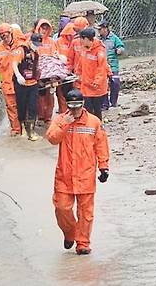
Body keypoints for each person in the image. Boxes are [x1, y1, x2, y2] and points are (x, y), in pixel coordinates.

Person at [46, 89, 109, 255]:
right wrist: (65, 123)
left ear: (83, 105)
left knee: (86, 213)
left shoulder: (94, 122)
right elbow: (52, 139)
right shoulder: (60, 120)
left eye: (77, 107)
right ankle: (70, 233)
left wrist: (104, 166)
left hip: (86, 175)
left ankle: (83, 243)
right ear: (67, 105)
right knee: (61, 208)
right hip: (64, 175)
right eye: (71, 107)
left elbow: (101, 145)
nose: (74, 111)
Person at [0, 23, 22, 136]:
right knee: (11, 107)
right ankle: (16, 130)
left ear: (11, 33)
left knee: (23, 106)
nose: (4, 38)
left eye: (5, 35)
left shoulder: (20, 45)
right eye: (2, 37)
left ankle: (26, 128)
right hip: (7, 83)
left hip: (21, 83)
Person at [12, 32, 42, 141]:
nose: (36, 46)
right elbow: (14, 64)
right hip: (22, 84)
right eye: (34, 43)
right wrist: (19, 76)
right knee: (22, 106)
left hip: (33, 84)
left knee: (33, 107)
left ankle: (32, 131)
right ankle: (23, 128)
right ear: (29, 41)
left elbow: (37, 66)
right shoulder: (21, 50)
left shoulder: (36, 52)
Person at [75, 27, 109, 121]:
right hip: (86, 85)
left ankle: (98, 128)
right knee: (87, 109)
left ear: (87, 39)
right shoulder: (84, 49)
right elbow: (81, 63)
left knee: (97, 110)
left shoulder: (99, 50)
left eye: (82, 39)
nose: (80, 41)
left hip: (96, 87)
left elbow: (102, 67)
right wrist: (77, 74)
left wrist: (97, 81)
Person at [34, 19, 58, 124]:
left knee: (50, 95)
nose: (44, 31)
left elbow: (54, 55)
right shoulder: (34, 40)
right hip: (38, 73)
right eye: (42, 28)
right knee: (40, 95)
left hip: (50, 72)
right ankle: (40, 116)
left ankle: (48, 117)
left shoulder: (51, 42)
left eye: (46, 28)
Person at [98, 20, 125, 109]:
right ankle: (105, 104)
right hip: (102, 65)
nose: (99, 31)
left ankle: (113, 102)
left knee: (115, 83)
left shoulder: (114, 38)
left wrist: (119, 50)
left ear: (105, 29)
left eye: (100, 29)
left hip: (113, 65)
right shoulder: (98, 39)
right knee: (102, 84)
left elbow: (121, 46)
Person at [56, 22, 77, 113]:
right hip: (61, 70)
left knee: (72, 92)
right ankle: (63, 112)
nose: (70, 36)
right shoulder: (59, 41)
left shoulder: (76, 42)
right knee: (61, 93)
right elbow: (56, 54)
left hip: (73, 70)